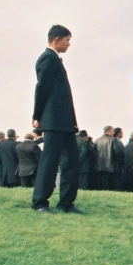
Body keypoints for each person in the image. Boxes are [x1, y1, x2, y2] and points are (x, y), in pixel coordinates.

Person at [31, 25, 82, 211]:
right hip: (53, 120)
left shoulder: (56, 60)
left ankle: (66, 203)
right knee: (50, 161)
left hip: (65, 121)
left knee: (72, 161)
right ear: (56, 40)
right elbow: (41, 89)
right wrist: (37, 115)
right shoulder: (47, 58)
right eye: (67, 40)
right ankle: (40, 202)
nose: (69, 44)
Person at [95, 126, 123, 191]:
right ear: (108, 131)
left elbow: (94, 153)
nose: (113, 133)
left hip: (100, 166)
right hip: (112, 166)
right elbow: (118, 152)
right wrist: (120, 161)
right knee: (112, 185)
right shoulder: (113, 140)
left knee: (103, 185)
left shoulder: (97, 141)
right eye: (112, 131)